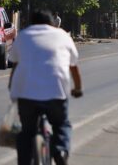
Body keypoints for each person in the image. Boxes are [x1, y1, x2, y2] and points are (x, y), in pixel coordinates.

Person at [8, 10, 83, 165]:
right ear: (51, 23)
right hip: (56, 91)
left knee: (26, 132)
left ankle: (24, 161)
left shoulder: (23, 36)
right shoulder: (62, 35)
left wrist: (12, 87)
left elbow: (15, 65)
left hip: (26, 93)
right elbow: (73, 66)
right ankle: (61, 151)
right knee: (61, 124)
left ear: (32, 23)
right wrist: (78, 88)